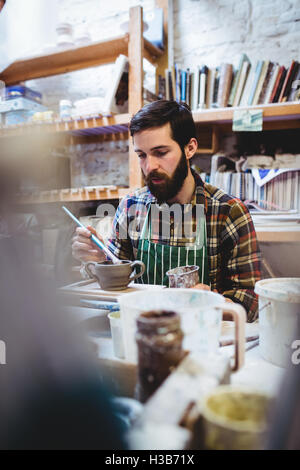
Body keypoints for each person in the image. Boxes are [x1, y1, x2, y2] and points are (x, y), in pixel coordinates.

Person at [72, 100, 261, 321]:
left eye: (160, 152)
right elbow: (114, 284)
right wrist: (97, 260)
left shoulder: (228, 212)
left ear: (190, 148)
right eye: (142, 155)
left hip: (202, 338)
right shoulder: (131, 207)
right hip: (141, 334)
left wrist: (213, 303)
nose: (149, 166)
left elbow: (250, 301)